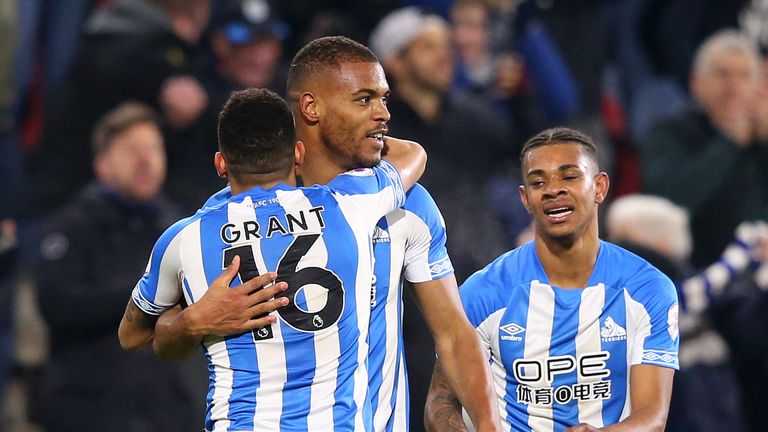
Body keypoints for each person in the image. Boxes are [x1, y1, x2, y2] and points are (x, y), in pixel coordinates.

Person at [150, 36, 499, 432]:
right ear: (311, 107)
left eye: (384, 99)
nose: (383, 113)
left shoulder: (407, 206)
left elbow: (454, 336)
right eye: (364, 99)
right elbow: (159, 335)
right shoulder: (230, 217)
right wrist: (192, 322)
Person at [118, 87, 428, 431]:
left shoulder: (184, 239)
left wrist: (193, 320)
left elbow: (132, 336)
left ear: (221, 163)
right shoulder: (350, 206)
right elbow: (412, 154)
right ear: (298, 153)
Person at [425, 127, 679, 431]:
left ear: (600, 187)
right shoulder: (483, 293)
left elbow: (653, 416)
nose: (552, 189)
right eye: (538, 182)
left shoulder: (647, 290)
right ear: (525, 199)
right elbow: (440, 402)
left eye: (569, 176)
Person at [33, 102, 206, 431]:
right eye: (131, 150)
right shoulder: (73, 228)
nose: (145, 160)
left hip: (171, 409)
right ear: (102, 165)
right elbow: (58, 305)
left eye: (153, 148)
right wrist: (148, 295)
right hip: (91, 407)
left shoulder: (183, 231)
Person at [640, 29, 768, 268]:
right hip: (693, 268)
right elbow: (669, 201)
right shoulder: (670, 133)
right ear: (696, 84)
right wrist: (728, 142)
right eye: (722, 74)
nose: (734, 87)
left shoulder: (762, 137)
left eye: (745, 76)